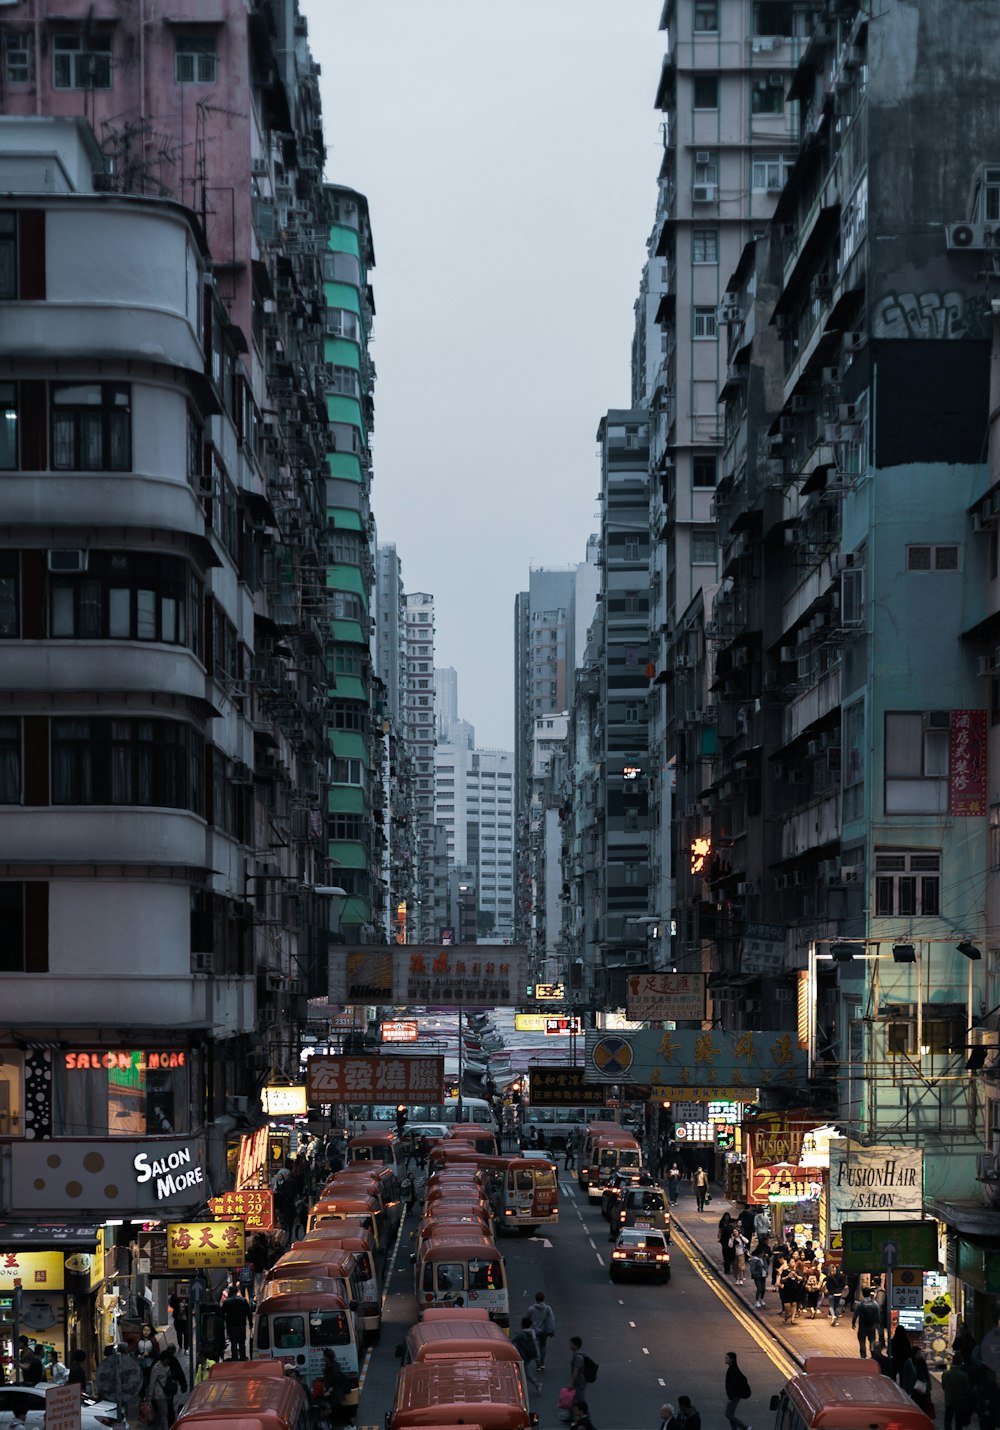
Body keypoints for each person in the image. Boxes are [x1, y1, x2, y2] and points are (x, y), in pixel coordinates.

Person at [148, 1349, 177, 1430]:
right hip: (159, 1394)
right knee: (164, 1413)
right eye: (167, 1359)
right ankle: (165, 1427)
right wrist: (150, 1396)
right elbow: (152, 1382)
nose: (168, 1361)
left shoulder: (167, 1367)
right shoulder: (156, 1368)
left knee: (163, 1413)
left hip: (166, 1393)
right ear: (163, 1359)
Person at [512, 1315, 542, 1392]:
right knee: (523, 1370)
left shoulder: (521, 1334)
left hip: (522, 1356)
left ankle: (536, 1383)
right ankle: (534, 1383)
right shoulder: (532, 1332)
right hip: (529, 1356)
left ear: (522, 1325)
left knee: (523, 1371)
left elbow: (512, 1341)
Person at [942, 1356, 973, 1430]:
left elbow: (944, 1387)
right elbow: (967, 1388)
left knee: (948, 1420)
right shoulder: (964, 1375)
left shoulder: (946, 1374)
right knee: (958, 1421)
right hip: (960, 1400)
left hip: (949, 1400)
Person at [724, 1351, 752, 1430]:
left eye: (727, 1358)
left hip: (734, 1396)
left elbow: (733, 1386)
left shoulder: (734, 1371)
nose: (725, 1359)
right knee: (730, 1414)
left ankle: (744, 1427)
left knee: (728, 1414)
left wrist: (730, 1398)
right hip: (735, 1395)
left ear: (732, 1359)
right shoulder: (732, 1369)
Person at [528, 1291, 556, 1371]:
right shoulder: (547, 1308)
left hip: (534, 1331)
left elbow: (527, 1319)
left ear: (535, 1299)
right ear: (543, 1299)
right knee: (543, 1346)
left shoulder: (531, 1309)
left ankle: (538, 1364)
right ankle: (542, 1363)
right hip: (544, 1331)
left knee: (536, 1347)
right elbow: (551, 1319)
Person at [901, 1351, 934, 1415]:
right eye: (918, 1354)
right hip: (912, 1388)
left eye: (920, 1354)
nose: (919, 1355)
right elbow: (905, 1376)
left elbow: (926, 1374)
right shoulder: (908, 1363)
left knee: (922, 1405)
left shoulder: (922, 1362)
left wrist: (929, 1387)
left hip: (921, 1387)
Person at [223, 1287, 251, 1360]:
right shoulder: (243, 1301)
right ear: (236, 1292)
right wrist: (251, 1324)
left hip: (231, 1326)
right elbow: (249, 1313)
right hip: (241, 1326)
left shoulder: (227, 1302)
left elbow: (222, 1314)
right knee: (242, 1343)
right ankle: (242, 1357)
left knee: (233, 1344)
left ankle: (235, 1358)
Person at [853, 1287, 881, 1359]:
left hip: (862, 1326)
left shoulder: (860, 1304)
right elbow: (878, 1315)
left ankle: (863, 1356)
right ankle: (873, 1354)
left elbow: (855, 1315)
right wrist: (877, 1324)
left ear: (863, 1294)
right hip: (872, 1326)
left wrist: (853, 1323)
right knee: (872, 1340)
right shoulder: (875, 1304)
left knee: (862, 1342)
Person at [137, 1324, 159, 1394]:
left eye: (148, 1330)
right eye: (144, 1330)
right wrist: (137, 1354)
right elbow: (135, 1350)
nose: (146, 1332)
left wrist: (149, 1354)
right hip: (141, 1363)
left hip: (150, 1364)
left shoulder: (153, 1341)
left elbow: (157, 1353)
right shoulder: (139, 1340)